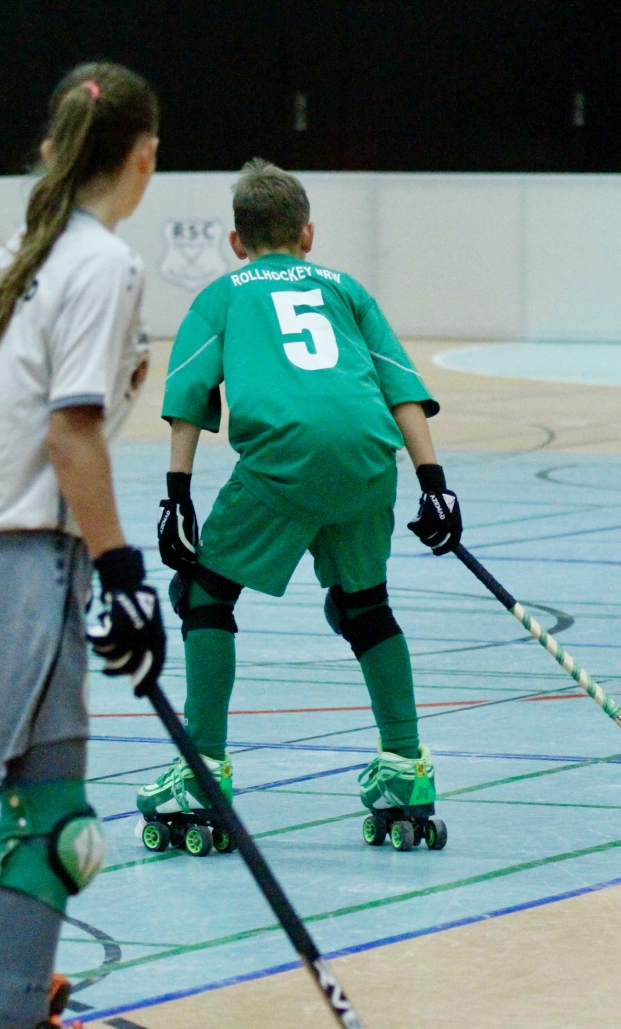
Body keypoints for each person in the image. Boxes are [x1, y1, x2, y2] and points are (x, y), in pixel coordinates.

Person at [0, 62, 166, 1029]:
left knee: (38, 812)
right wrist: (122, 574)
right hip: (18, 556)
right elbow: (71, 433)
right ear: (144, 156)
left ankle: (26, 996)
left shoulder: (19, 253)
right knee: (54, 825)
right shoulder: (103, 262)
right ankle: (14, 1016)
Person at [140, 159, 460, 849]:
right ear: (307, 234)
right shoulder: (346, 289)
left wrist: (176, 497)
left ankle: (201, 770)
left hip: (283, 460)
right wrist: (435, 482)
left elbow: (188, 398)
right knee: (365, 606)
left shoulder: (221, 297)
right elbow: (401, 386)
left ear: (236, 242)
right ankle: (404, 769)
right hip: (369, 457)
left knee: (204, 594)